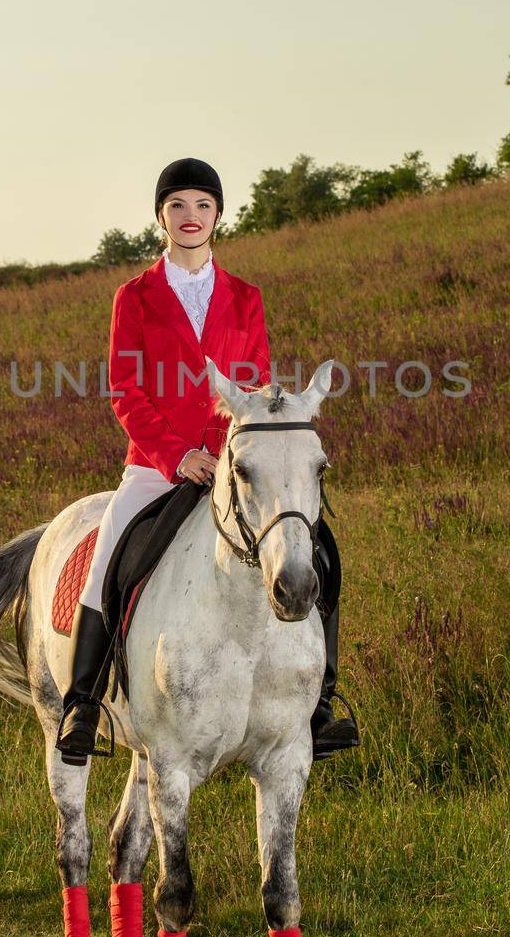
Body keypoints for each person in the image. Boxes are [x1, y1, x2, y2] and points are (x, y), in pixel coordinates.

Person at [56, 155, 360, 765]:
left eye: (202, 205)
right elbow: (126, 390)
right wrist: (175, 456)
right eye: (177, 206)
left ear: (218, 215)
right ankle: (82, 704)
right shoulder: (134, 297)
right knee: (108, 554)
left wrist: (235, 447)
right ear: (161, 217)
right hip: (155, 465)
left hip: (232, 463)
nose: (190, 217)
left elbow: (256, 384)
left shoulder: (245, 298)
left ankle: (321, 702)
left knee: (318, 546)